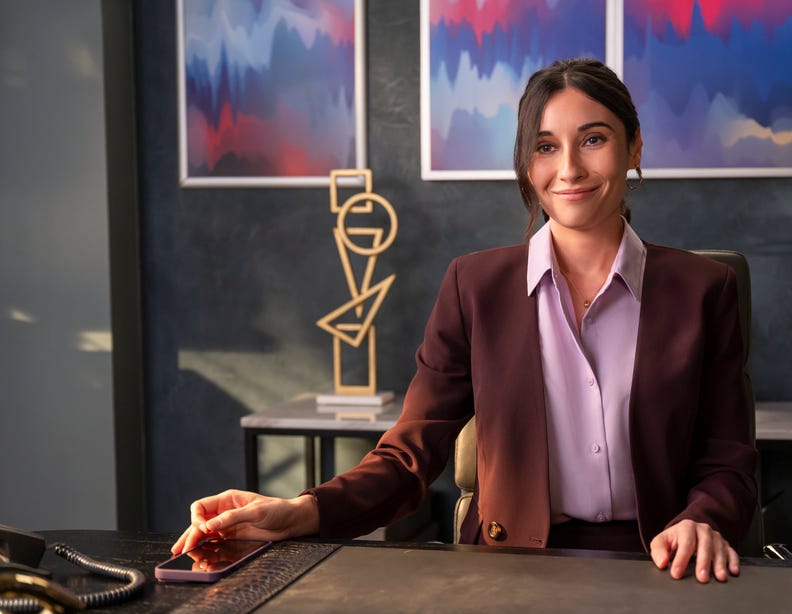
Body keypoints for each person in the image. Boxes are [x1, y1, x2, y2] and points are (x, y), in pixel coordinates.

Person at [173, 58, 758, 584]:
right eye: (546, 146)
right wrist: (303, 511)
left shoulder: (703, 289)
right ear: (527, 165)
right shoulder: (474, 287)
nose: (570, 168)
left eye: (594, 139)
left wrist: (702, 520)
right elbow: (408, 458)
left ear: (633, 148)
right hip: (512, 572)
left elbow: (729, 460)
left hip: (661, 564)